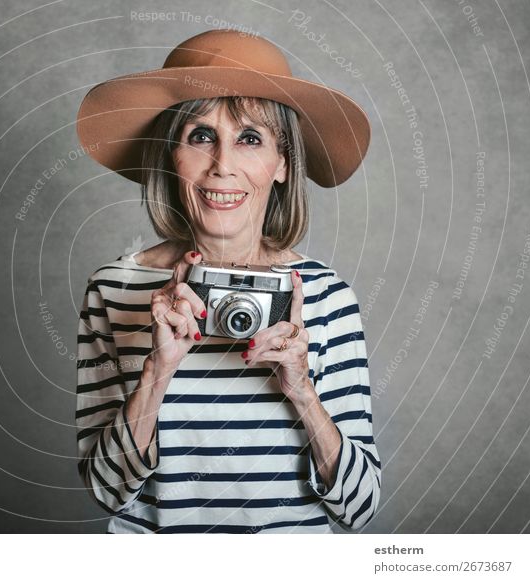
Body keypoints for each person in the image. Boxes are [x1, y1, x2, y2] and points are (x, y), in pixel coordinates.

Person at [74, 29, 381, 533]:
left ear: (282, 163)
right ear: (172, 157)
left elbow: (360, 507)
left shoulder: (326, 296)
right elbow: (107, 494)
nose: (223, 166)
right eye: (200, 136)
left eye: (250, 139)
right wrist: (157, 372)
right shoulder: (114, 289)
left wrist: (302, 391)